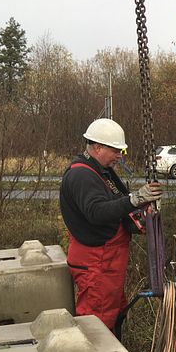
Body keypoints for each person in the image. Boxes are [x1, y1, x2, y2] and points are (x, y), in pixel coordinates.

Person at [59, 118, 162, 331]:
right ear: (97, 147)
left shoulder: (101, 171)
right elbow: (97, 212)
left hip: (106, 264)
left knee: (113, 316)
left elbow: (118, 203)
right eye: (116, 150)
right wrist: (135, 200)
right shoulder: (82, 175)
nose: (119, 156)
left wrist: (138, 214)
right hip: (96, 264)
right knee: (97, 326)